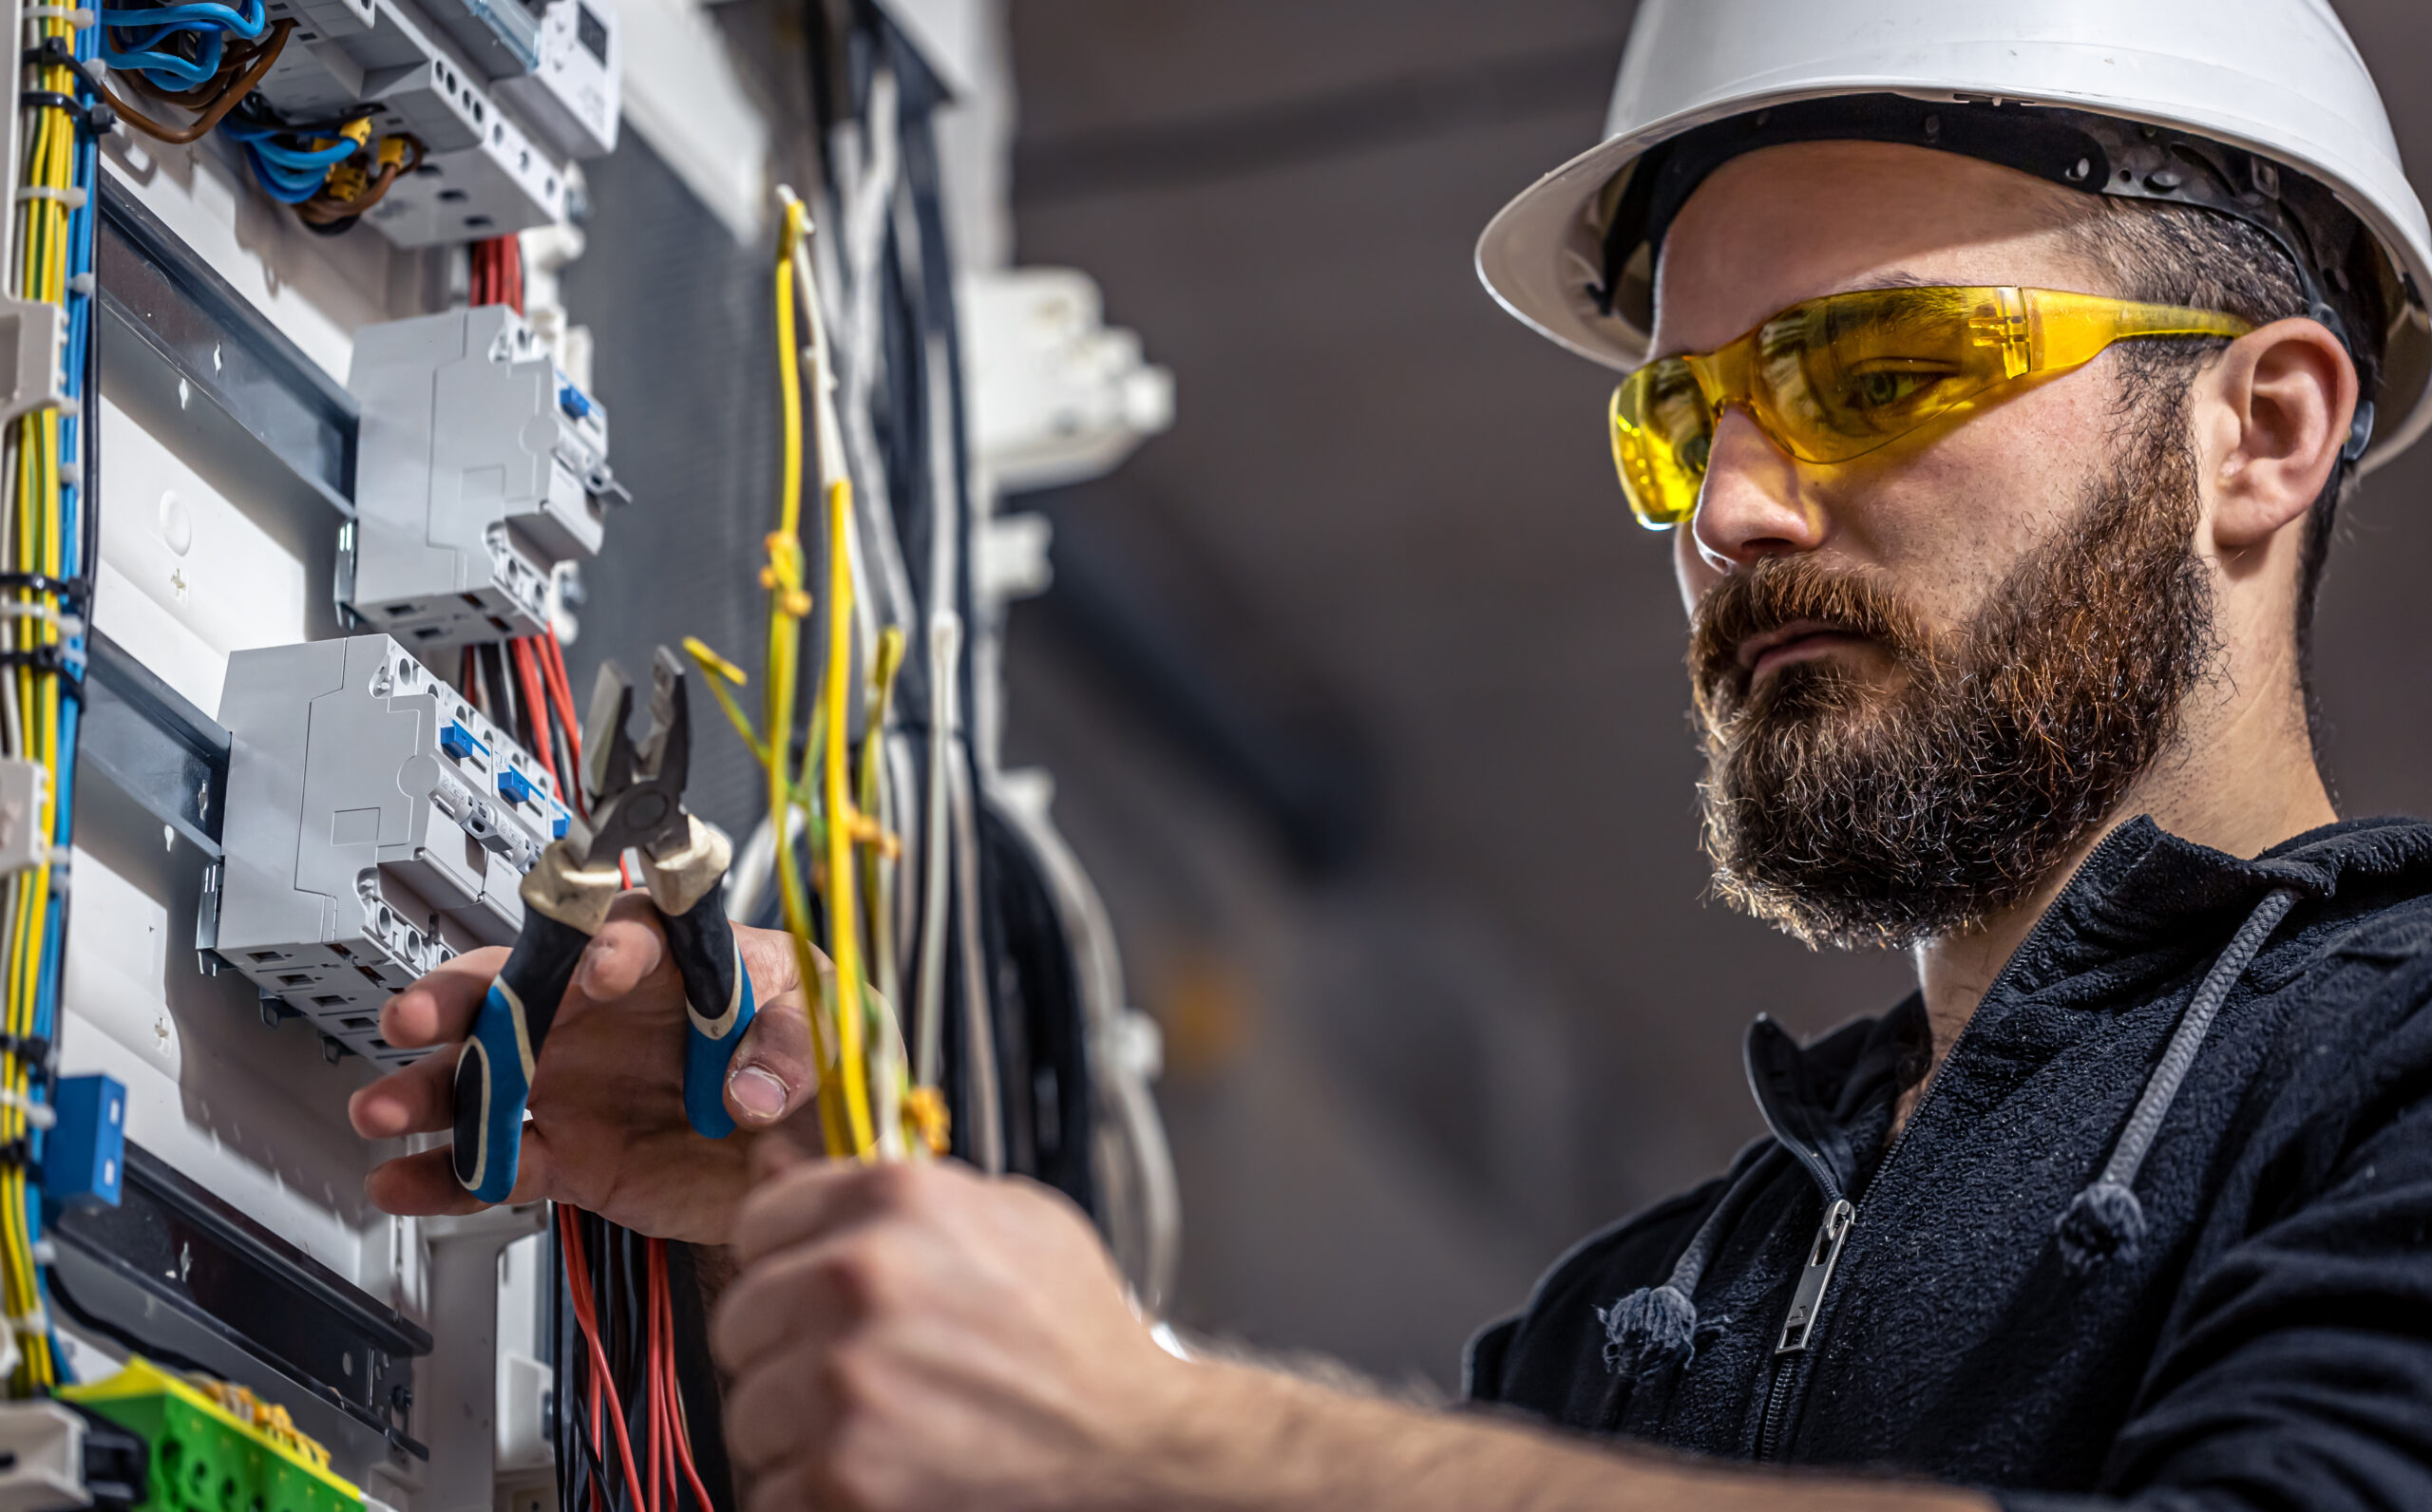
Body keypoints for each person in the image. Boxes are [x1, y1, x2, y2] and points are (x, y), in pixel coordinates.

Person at [348, 1, 2432, 1506]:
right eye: (1675, 416)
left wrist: (1154, 1438)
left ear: (2257, 431)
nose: (1727, 510)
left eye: (1872, 367)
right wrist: (800, 1249)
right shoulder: (1633, 1321)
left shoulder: (2383, 1075)